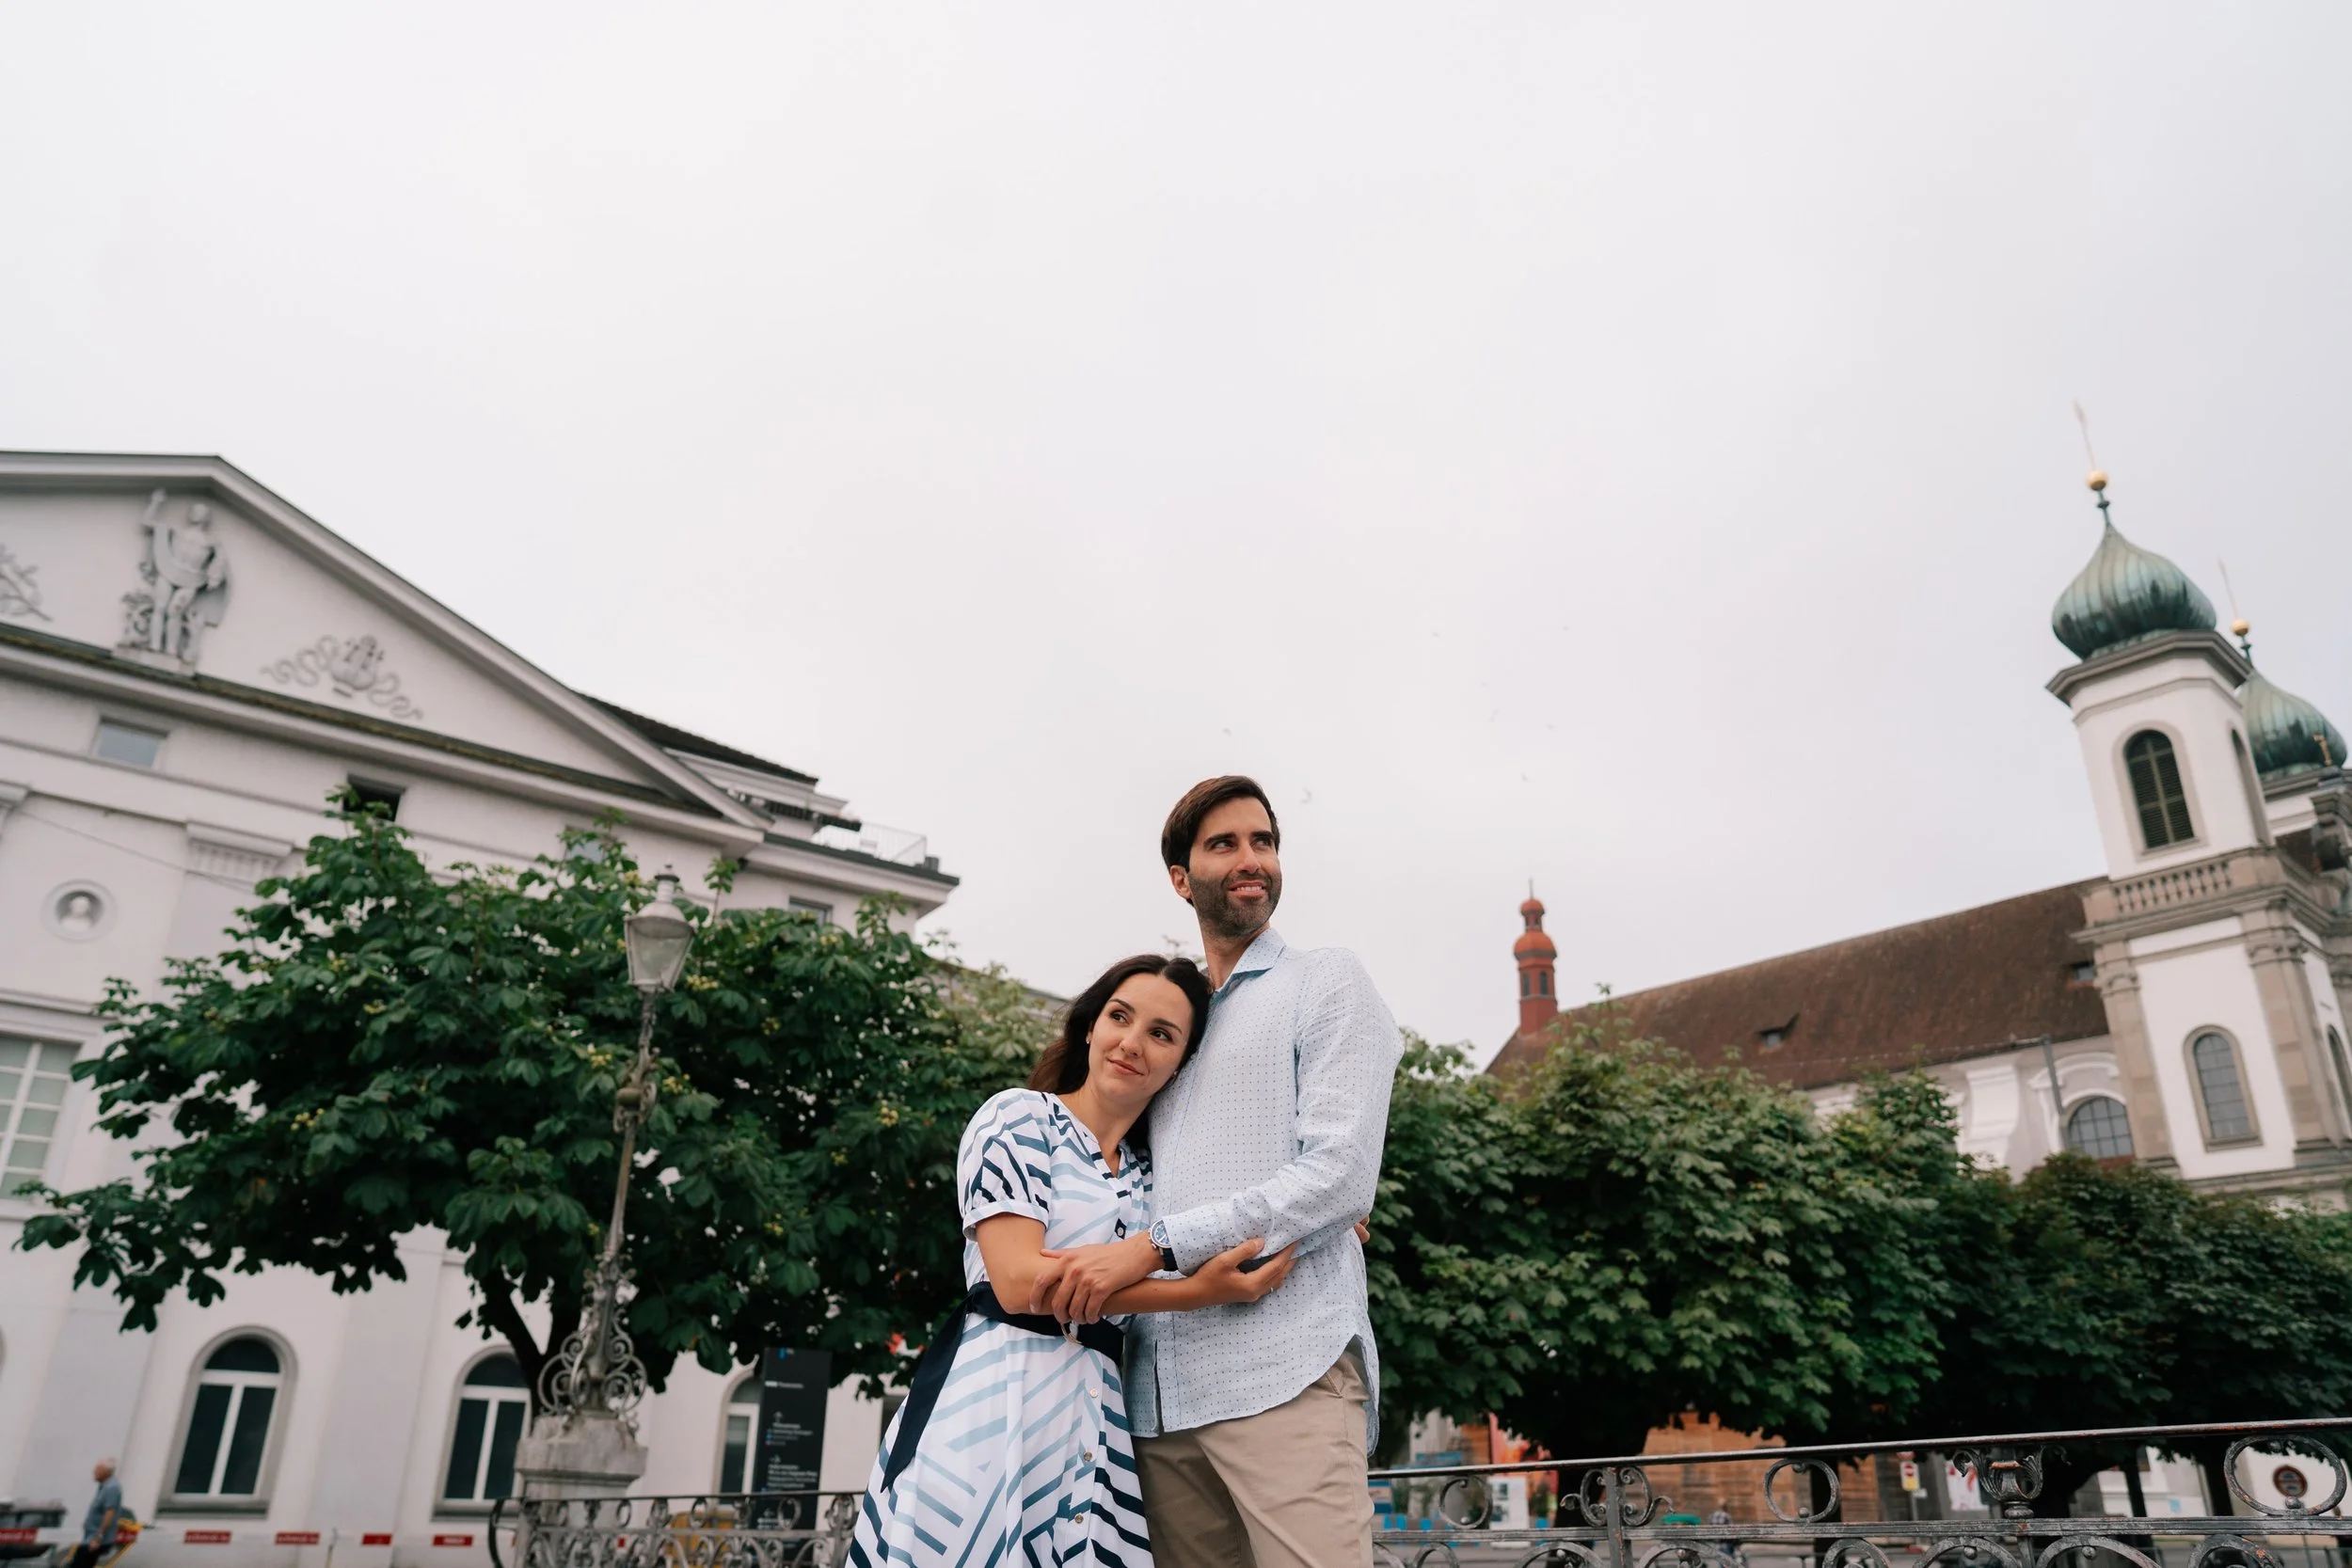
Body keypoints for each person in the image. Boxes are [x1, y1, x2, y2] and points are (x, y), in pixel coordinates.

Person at [1038, 775, 1404, 1568]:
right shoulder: (1174, 1022)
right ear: (1181, 877)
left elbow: (1341, 1174)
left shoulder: (1327, 980)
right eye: (1225, 843)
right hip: (1155, 1399)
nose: (1252, 858)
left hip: (1285, 1371)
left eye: (1264, 841)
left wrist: (1156, 1245)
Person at [847, 953, 1301, 1568]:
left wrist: (1314, 1208)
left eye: (1161, 1034)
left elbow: (1240, 1212)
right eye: (1121, 1016)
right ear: (1092, 1025)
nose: (1132, 1042)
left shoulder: (1154, 1175)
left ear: (1180, 1065)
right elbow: (1017, 1282)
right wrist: (1197, 1292)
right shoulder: (1018, 1117)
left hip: (1097, 1426)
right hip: (995, 1404)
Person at [71, 1461, 124, 1568]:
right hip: (91, 1537)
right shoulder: (104, 1486)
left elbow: (110, 1513)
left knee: (79, 1563)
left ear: (106, 1471)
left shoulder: (111, 1488)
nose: (94, 1472)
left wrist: (98, 1537)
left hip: (96, 1539)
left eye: (97, 1469)